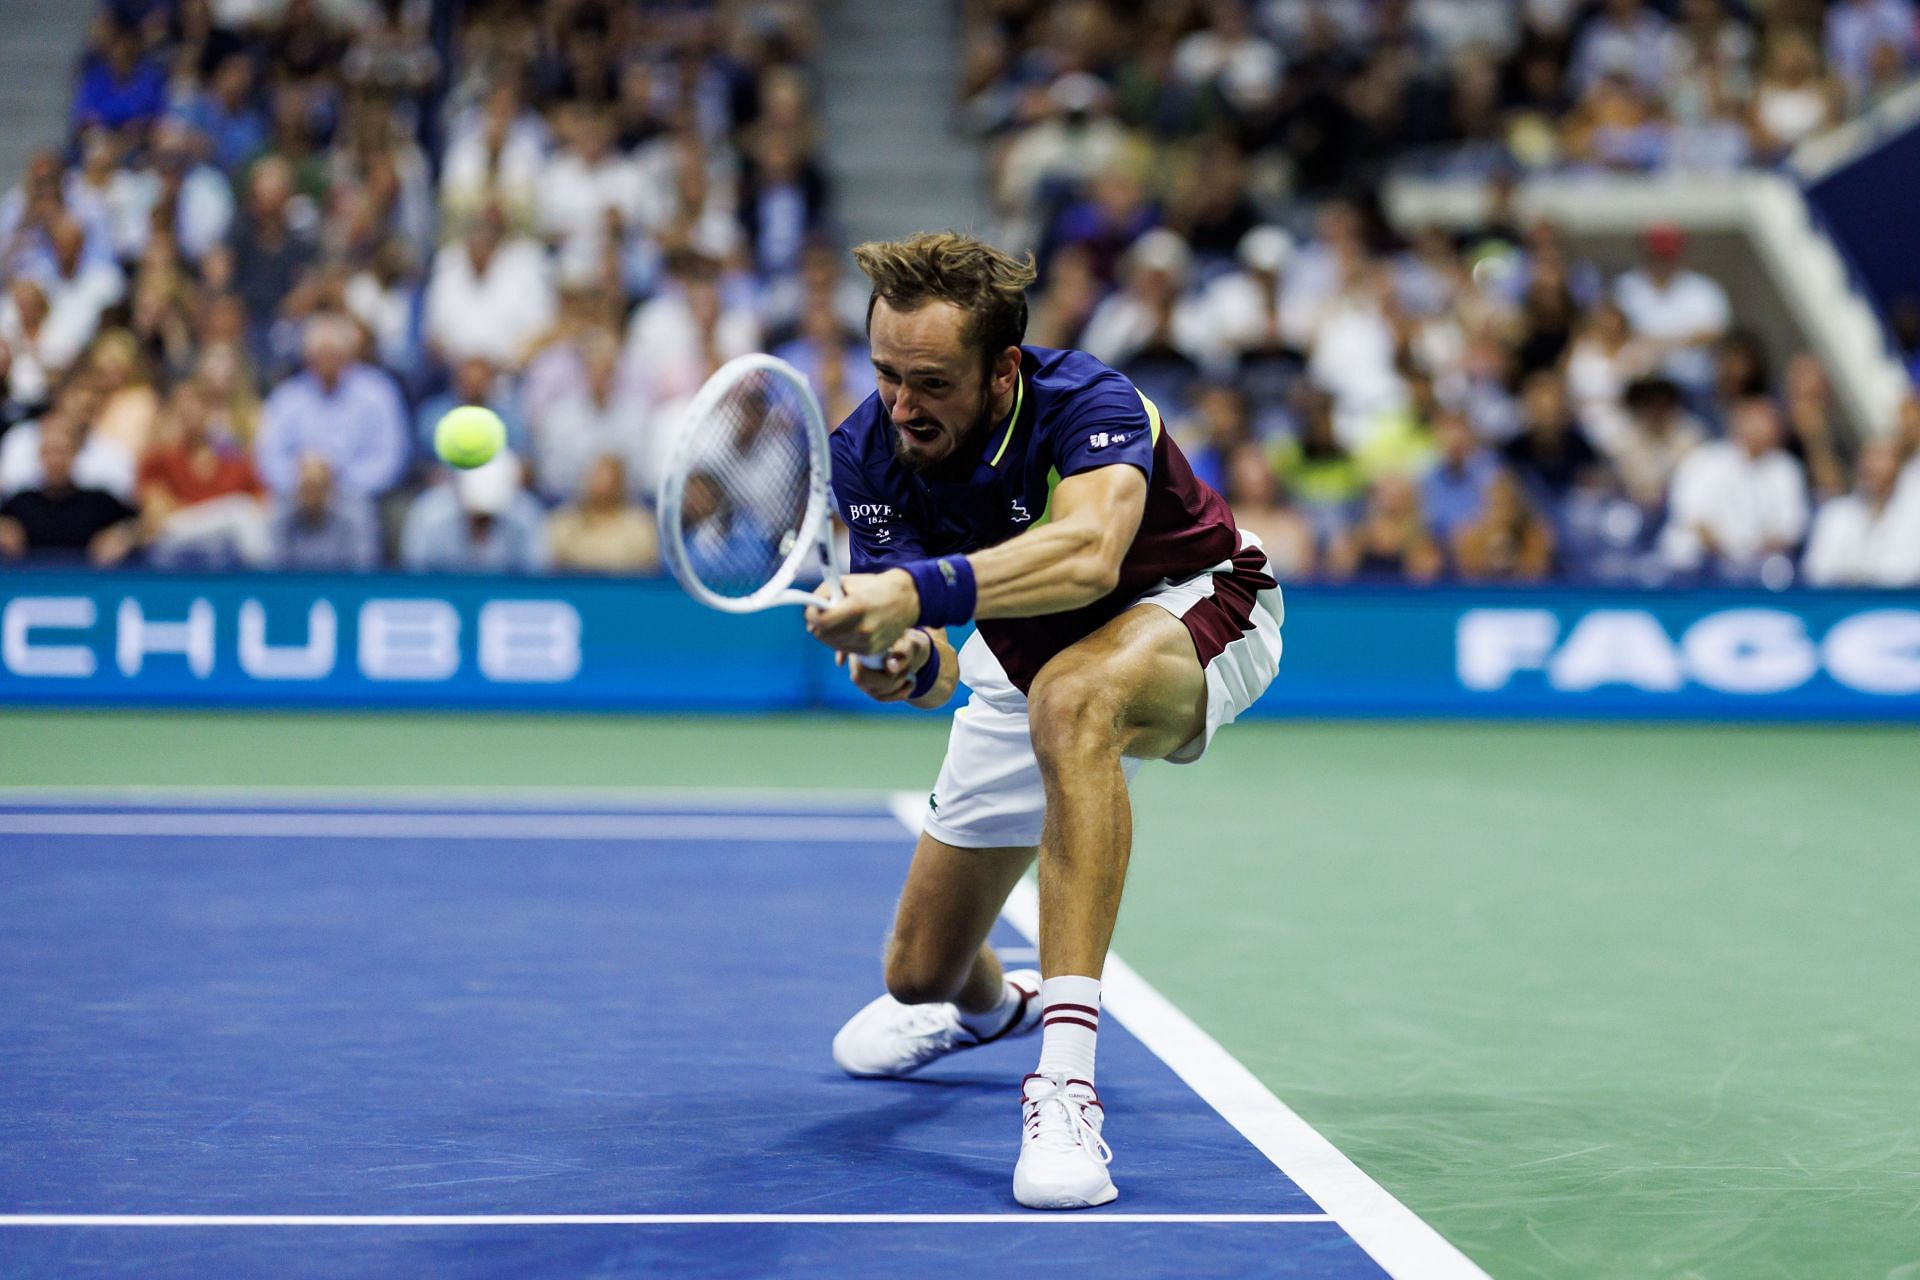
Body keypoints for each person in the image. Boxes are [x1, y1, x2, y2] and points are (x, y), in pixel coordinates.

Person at [805, 232, 1283, 1211]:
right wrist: (907, 657)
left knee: (1075, 699)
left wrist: (913, 589)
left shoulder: (1092, 404)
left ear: (1003, 369)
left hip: (1195, 607)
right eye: (886, 373)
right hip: (1030, 661)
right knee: (919, 973)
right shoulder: (868, 455)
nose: (902, 404)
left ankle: (1065, 1087)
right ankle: (1001, 1006)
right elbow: (943, 646)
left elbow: (1089, 558)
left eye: (931, 381)